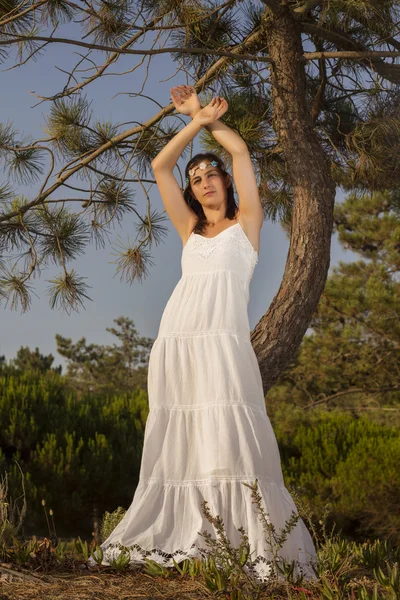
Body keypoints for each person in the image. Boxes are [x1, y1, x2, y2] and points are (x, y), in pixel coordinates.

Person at [88, 85, 317, 582]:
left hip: (223, 344)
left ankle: (238, 541)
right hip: (178, 341)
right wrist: (191, 120)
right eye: (197, 177)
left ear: (226, 184)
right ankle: (183, 531)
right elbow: (158, 167)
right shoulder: (188, 228)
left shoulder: (247, 223)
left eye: (212, 174)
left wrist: (206, 116)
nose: (205, 180)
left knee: (230, 435)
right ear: (191, 192)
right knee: (181, 434)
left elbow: (239, 150)